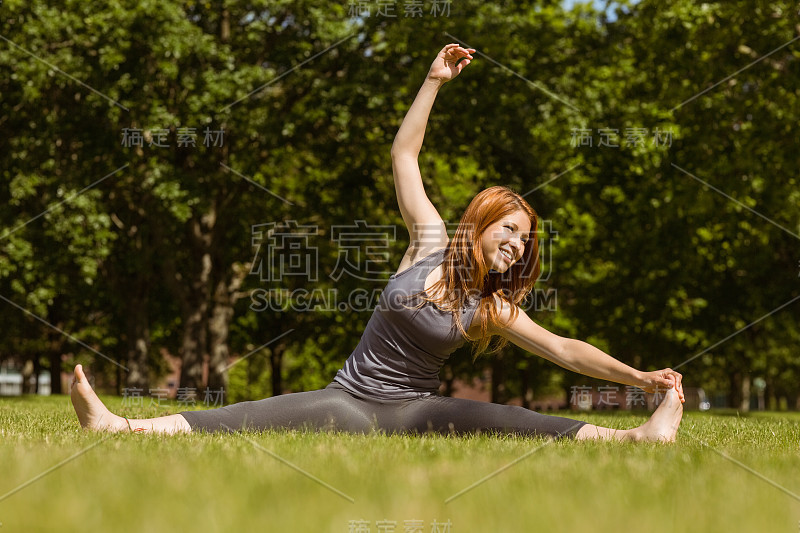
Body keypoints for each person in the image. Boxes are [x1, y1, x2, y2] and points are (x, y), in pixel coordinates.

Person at [70, 44, 684, 442]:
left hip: (417, 413)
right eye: (511, 231)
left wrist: (638, 376)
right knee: (242, 416)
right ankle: (117, 426)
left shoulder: (492, 308)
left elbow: (567, 352)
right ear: (482, 223)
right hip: (349, 400)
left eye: (527, 243)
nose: (519, 247)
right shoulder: (430, 241)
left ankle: (640, 437)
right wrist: (433, 81)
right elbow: (404, 153)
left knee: (514, 420)